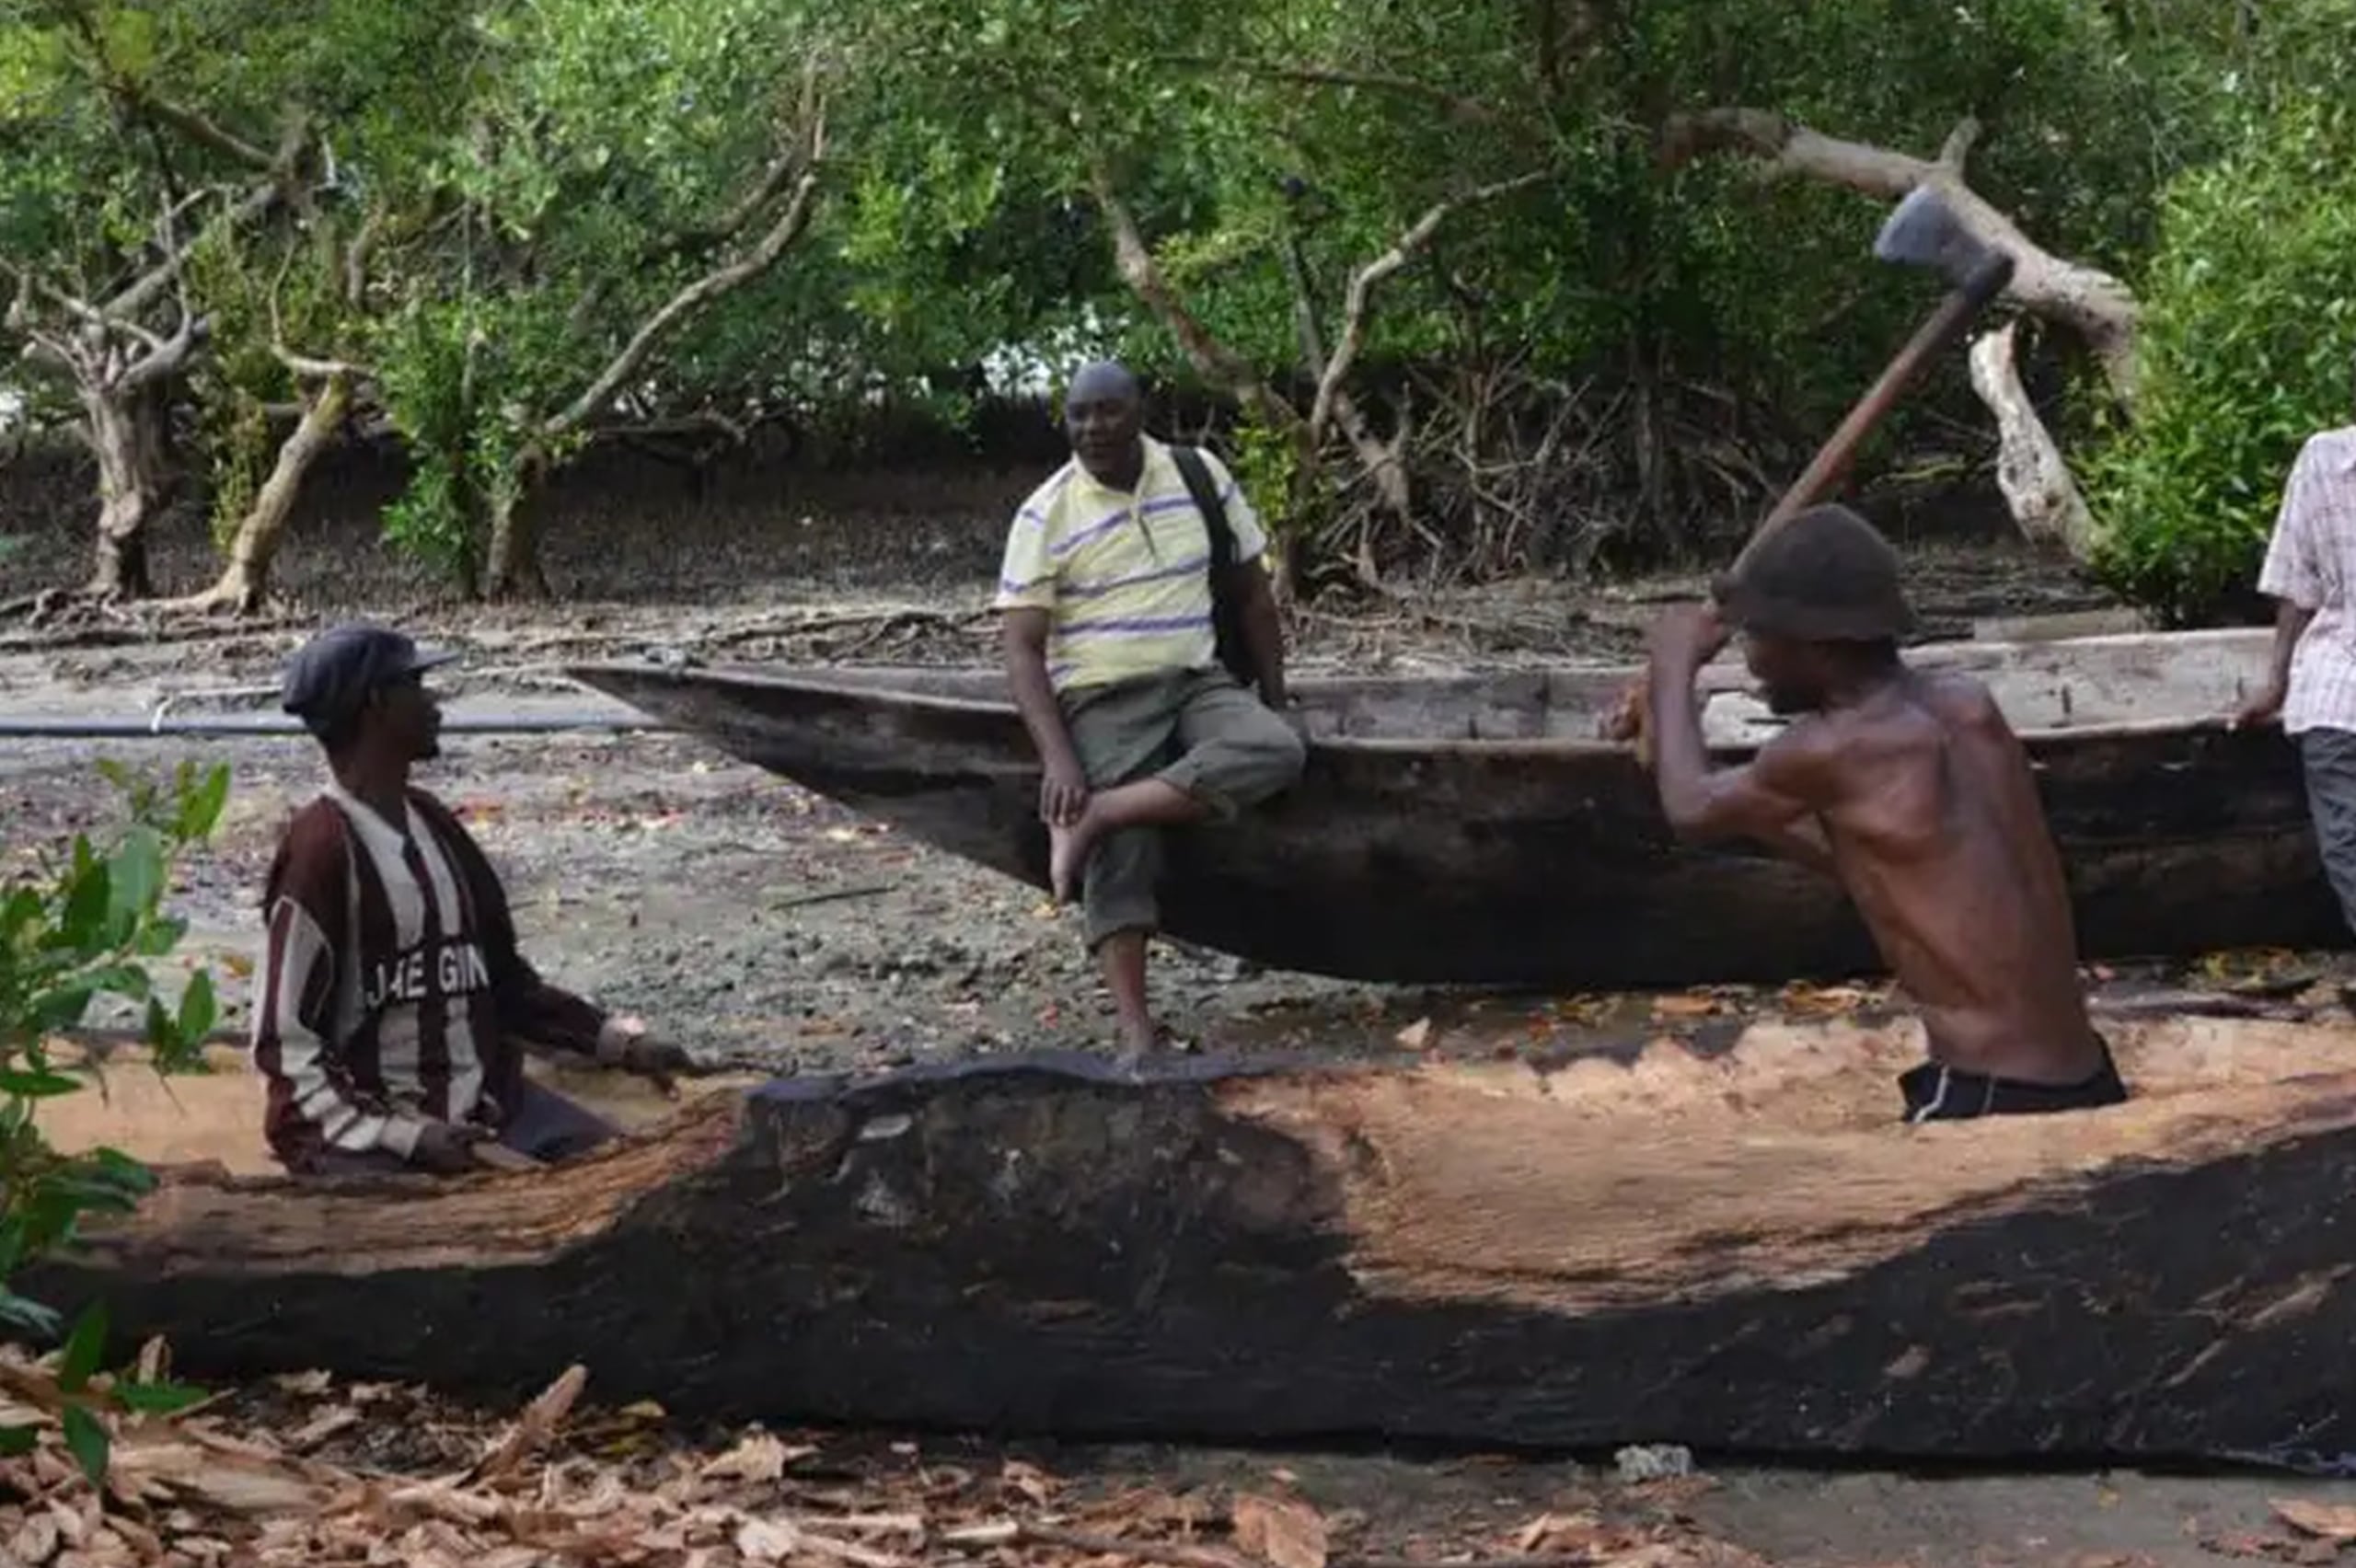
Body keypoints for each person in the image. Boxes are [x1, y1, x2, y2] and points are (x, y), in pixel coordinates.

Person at [1640, 503, 2126, 1124]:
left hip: (1991, 1095)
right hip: (2085, 1074)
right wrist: (1668, 724)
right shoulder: (1967, 708)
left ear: (1816, 648)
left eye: (1758, 639)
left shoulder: (1835, 745)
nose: (1753, 663)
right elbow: (1890, 870)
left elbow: (1688, 806)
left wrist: (1673, 665)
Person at [248, 623, 690, 1177]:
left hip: (495, 1107)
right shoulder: (319, 851)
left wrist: (617, 1043)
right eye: (417, 685)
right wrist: (409, 1136)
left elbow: (504, 983)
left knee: (632, 1177)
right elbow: (283, 1048)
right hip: (376, 1133)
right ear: (378, 705)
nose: (434, 701)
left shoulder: (435, 825)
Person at [995, 361, 1307, 1061]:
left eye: (1107, 411)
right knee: (1124, 850)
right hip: (1103, 695)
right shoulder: (1047, 513)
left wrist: (1277, 701)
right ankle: (1138, 1035)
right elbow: (1021, 650)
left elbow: (1253, 598)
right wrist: (1060, 762)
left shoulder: (1197, 476)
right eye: (1078, 415)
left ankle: (1110, 808)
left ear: (1142, 409)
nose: (1092, 428)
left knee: (1278, 750)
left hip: (1198, 681)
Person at [2231, 406, 2356, 942]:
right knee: (2348, 841)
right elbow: (2298, 589)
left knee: (2348, 841)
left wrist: (2276, 682)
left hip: (2338, 687)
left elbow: (2295, 590)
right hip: (2339, 691)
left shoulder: (2323, 456)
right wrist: (2276, 684)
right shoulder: (2323, 458)